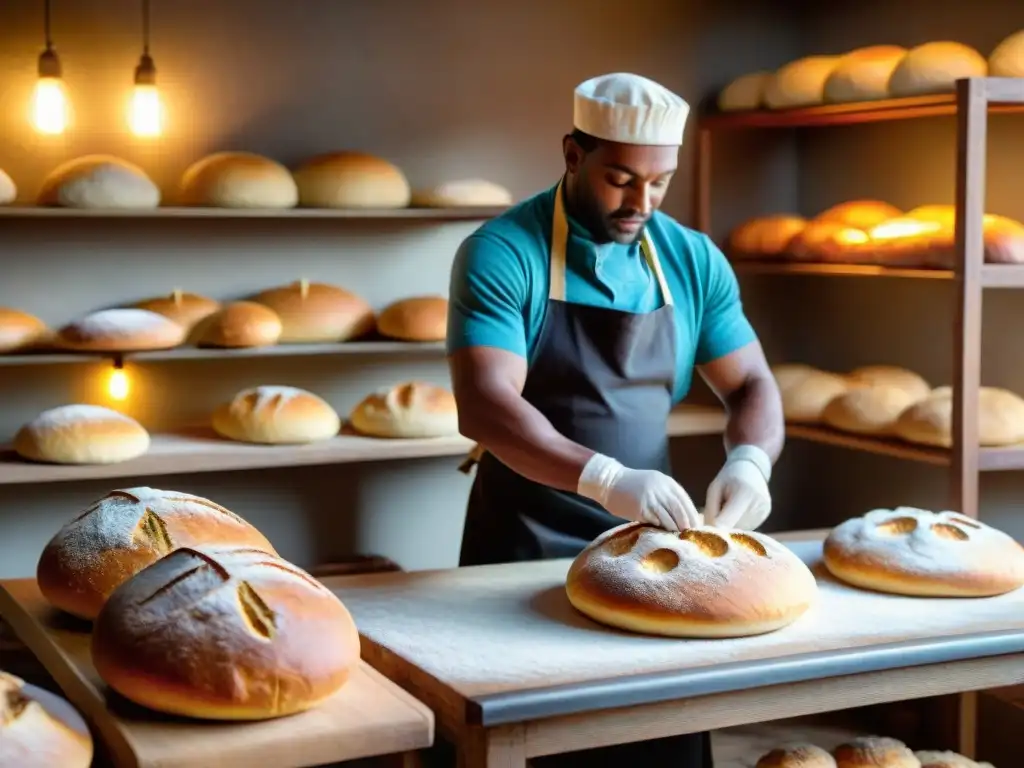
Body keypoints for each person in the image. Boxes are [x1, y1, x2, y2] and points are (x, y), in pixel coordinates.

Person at [446, 72, 784, 766]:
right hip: (521, 549)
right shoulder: (504, 253)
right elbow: (486, 405)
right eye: (622, 179)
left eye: (659, 183)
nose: (642, 202)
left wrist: (752, 460)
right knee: (535, 744)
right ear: (573, 154)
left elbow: (751, 380)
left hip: (654, 547)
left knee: (659, 743)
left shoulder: (691, 260)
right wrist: (601, 477)